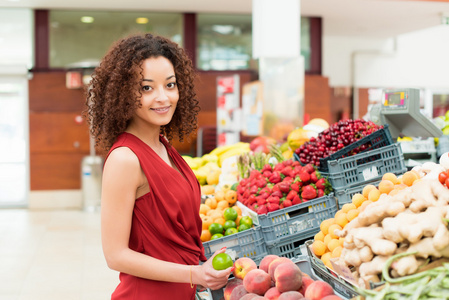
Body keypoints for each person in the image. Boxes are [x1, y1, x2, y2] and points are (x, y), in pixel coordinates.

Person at [85, 33, 233, 299]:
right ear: (123, 93)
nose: (163, 98)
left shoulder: (164, 147)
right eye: (146, 88)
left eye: (170, 84)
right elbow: (115, 255)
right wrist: (194, 274)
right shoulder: (125, 159)